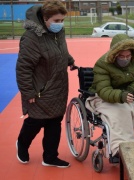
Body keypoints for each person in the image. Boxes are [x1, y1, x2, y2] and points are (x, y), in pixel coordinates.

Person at [16, 0, 76, 168]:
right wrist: (28, 93)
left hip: (58, 86)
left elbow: (60, 50)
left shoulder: (58, 32)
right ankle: (22, 144)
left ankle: (49, 157)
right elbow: (23, 68)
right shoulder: (31, 38)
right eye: (57, 21)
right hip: (39, 89)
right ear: (44, 18)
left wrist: (69, 60)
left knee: (54, 122)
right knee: (35, 121)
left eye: (62, 20)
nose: (60, 24)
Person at [85, 34, 134, 162]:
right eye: (122, 56)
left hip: (124, 96)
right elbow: (103, 90)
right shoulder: (102, 64)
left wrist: (132, 90)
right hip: (101, 97)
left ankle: (128, 143)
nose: (125, 59)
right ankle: (118, 148)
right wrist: (120, 96)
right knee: (119, 112)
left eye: (128, 56)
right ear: (115, 54)